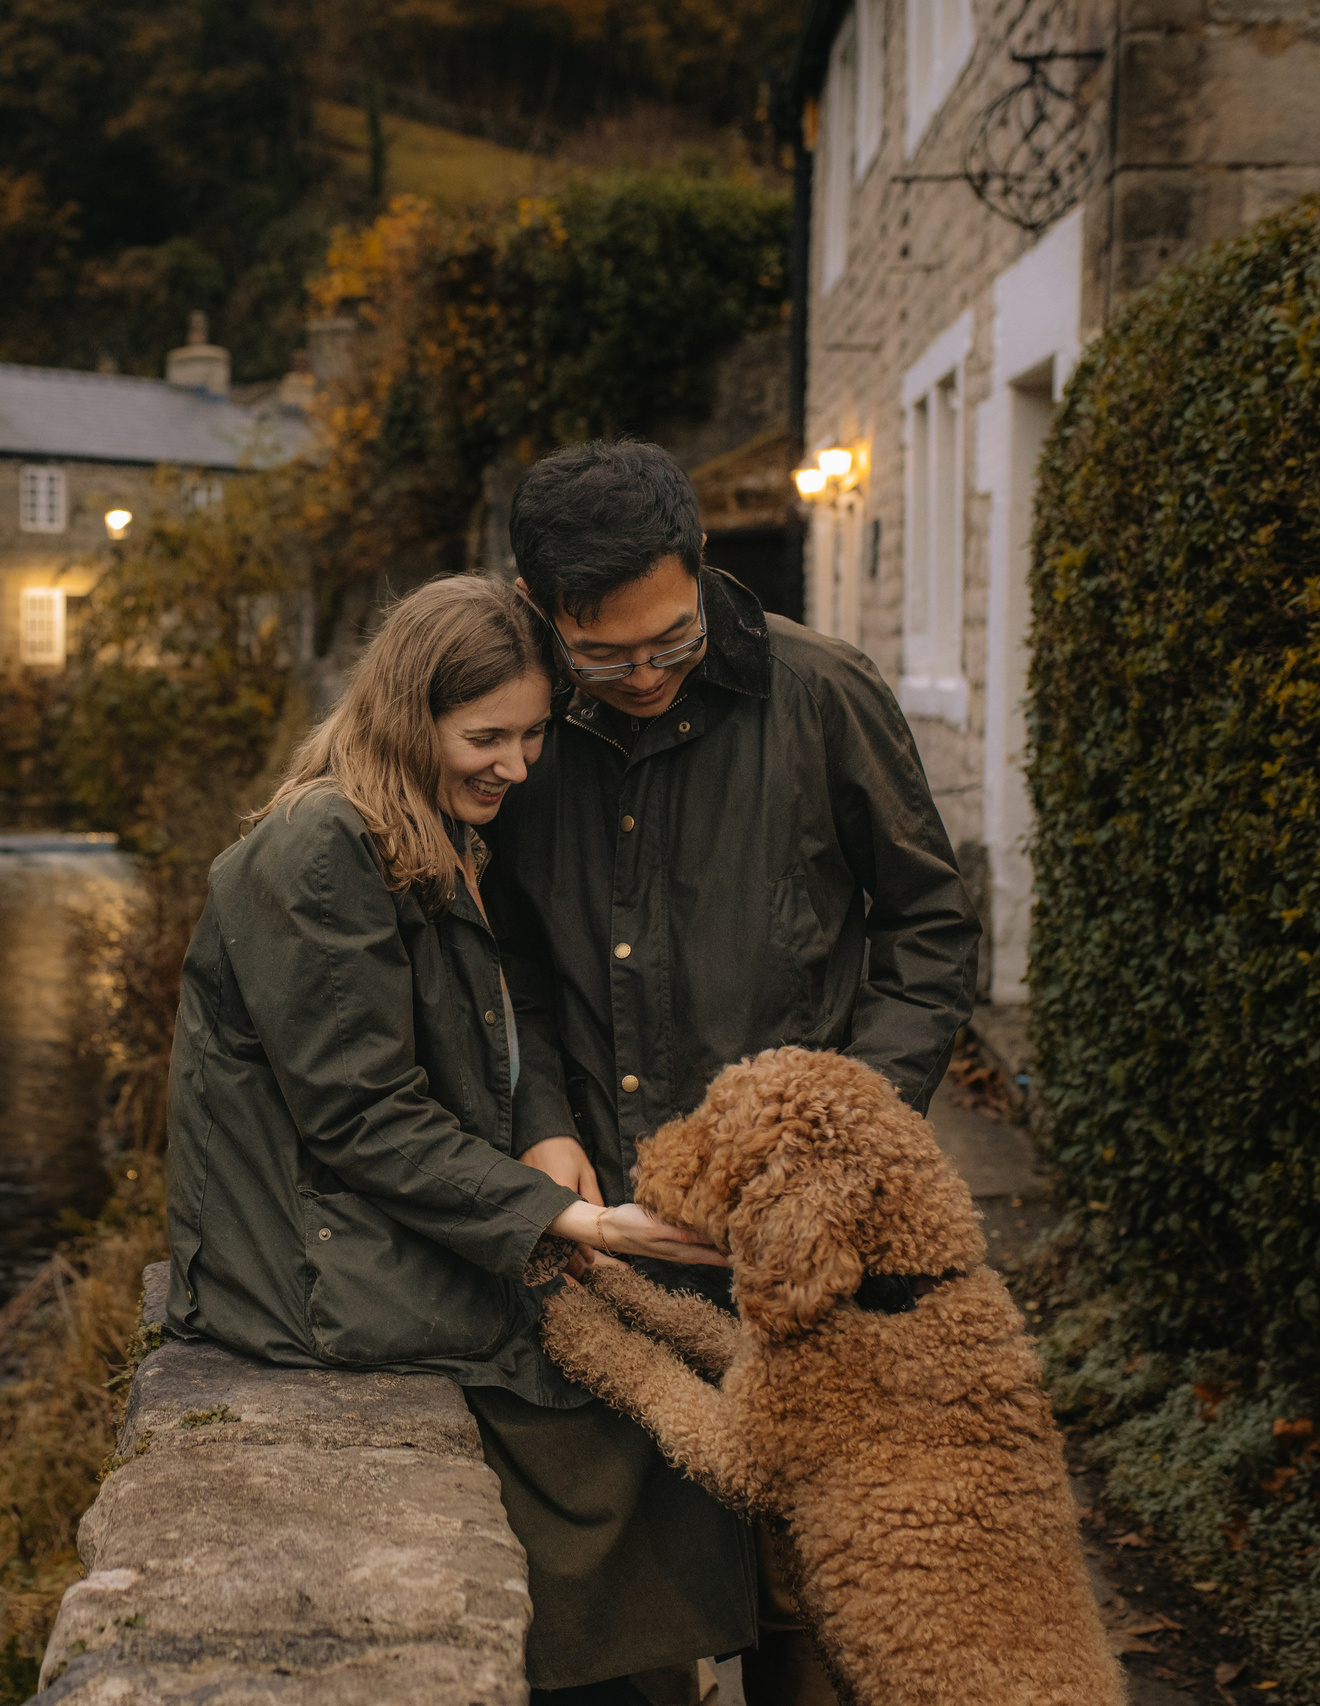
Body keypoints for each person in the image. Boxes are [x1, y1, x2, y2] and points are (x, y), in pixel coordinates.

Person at [166, 574, 756, 1704]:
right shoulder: (321, 849)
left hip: (359, 1215)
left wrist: (543, 1138)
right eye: (486, 735)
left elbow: (505, 998)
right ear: (406, 715)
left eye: (535, 733)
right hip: (298, 1257)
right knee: (609, 1402)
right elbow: (356, 1113)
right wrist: (565, 1218)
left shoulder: (430, 818)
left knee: (666, 1359)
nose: (519, 764)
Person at [480, 439, 982, 1705]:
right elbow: (513, 967)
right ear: (542, 609)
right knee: (619, 1630)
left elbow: (929, 926)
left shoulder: (824, 694)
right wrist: (543, 1126)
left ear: (701, 567)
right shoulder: (515, 733)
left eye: (670, 639)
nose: (644, 676)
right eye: (605, 656)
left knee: (813, 1615)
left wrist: (846, 1141)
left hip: (804, 1253)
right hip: (606, 1242)